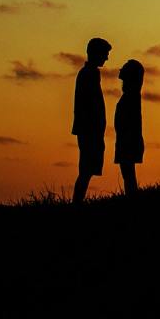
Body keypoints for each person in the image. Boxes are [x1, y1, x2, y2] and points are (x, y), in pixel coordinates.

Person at [71, 37, 112, 204]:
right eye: (105, 54)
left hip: (91, 130)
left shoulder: (91, 73)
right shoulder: (88, 74)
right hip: (89, 131)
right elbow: (88, 105)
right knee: (86, 170)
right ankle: (77, 203)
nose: (107, 58)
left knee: (87, 170)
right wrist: (93, 129)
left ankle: (77, 203)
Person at [113, 58, 145, 196]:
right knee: (128, 173)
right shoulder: (131, 95)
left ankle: (131, 197)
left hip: (128, 140)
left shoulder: (131, 96)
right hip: (127, 139)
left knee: (128, 173)